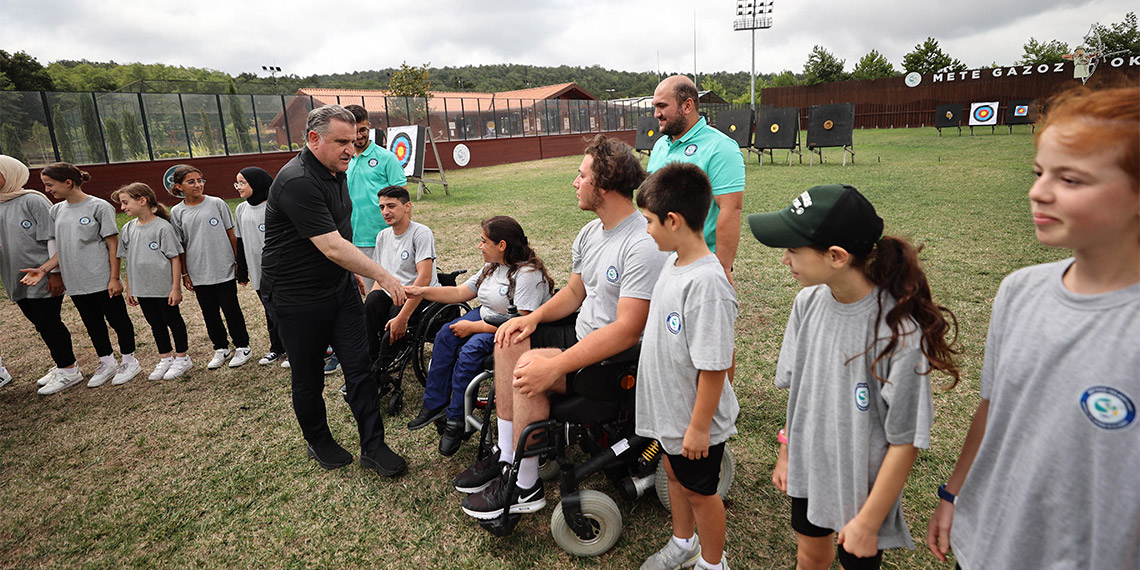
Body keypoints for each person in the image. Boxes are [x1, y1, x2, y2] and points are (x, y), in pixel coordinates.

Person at [926, 86, 1139, 570]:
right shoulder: (1020, 290)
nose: (1038, 192)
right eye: (1040, 172)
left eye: (1071, 179)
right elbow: (993, 407)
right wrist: (954, 493)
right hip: (986, 544)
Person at [750, 184, 960, 570]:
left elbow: (905, 441)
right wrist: (786, 448)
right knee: (809, 555)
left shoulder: (899, 334)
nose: (785, 260)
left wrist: (868, 520)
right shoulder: (807, 303)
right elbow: (801, 390)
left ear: (836, 256)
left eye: (793, 249)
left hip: (860, 489)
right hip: (810, 467)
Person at [457, 134, 667, 519]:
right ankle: (507, 456)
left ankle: (525, 487)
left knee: (528, 368)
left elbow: (627, 330)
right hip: (582, 333)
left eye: (581, 175)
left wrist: (556, 365)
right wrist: (531, 318)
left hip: (613, 359)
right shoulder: (591, 233)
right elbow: (574, 292)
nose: (575, 182)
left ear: (603, 184)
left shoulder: (641, 243)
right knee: (509, 337)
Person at [261, 104, 408, 478]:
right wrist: (383, 276)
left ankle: (374, 447)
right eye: (340, 141)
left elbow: (338, 233)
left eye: (352, 139)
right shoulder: (296, 180)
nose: (350, 148)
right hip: (296, 297)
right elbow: (330, 245)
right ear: (314, 139)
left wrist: (351, 271)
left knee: (360, 367)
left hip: (339, 290)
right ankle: (319, 440)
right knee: (308, 375)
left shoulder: (335, 170)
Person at [635, 163, 739, 570]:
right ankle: (683, 543)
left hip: (696, 422)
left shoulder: (708, 285)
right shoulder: (673, 262)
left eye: (648, 221)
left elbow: (714, 368)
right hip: (671, 413)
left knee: (701, 493)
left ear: (673, 220)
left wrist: (698, 426)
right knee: (674, 478)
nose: (646, 230)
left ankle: (713, 564)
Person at [405, 215, 555, 457]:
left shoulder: (527, 275)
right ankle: (434, 405)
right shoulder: (492, 267)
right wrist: (422, 291)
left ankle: (456, 421)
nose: (480, 246)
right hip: (486, 315)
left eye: (484, 241)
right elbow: (459, 292)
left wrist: (474, 328)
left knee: (470, 352)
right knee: (445, 335)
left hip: (510, 327)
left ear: (502, 246)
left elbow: (521, 323)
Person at [21, 163, 140, 391]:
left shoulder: (99, 206)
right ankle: (106, 362)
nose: (47, 190)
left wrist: (115, 278)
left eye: (50, 185)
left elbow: (112, 244)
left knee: (118, 321)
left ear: (68, 182)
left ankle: (129, 361)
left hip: (101, 278)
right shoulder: (56, 210)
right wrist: (44, 269)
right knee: (92, 324)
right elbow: (63, 248)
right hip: (76, 282)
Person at [320, 104, 408, 375]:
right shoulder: (339, 160)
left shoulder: (385, 158)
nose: (358, 136)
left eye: (363, 129)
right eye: (352, 131)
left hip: (375, 241)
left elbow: (400, 196)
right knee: (345, 298)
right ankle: (342, 350)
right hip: (344, 241)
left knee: (372, 301)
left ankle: (376, 349)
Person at [647, 75, 745, 281]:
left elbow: (731, 209)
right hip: (658, 261)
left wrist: (722, 268)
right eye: (654, 106)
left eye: (662, 106)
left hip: (698, 264)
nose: (656, 114)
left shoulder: (721, 147)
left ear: (687, 105)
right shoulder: (659, 146)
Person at [0, 154, 79, 390]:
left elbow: (53, 237)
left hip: (42, 274)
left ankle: (69, 370)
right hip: (16, 276)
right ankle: (62, 364)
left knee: (48, 321)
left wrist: (55, 272)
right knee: (39, 322)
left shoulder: (32, 200)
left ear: (10, 173)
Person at [167, 165, 253, 370]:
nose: (198, 185)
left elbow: (232, 235)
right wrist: (186, 273)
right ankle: (221, 348)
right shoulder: (177, 213)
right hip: (199, 272)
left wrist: (238, 262)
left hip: (223, 268)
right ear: (179, 187)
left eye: (200, 180)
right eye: (191, 181)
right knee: (209, 312)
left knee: (231, 308)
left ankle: (242, 346)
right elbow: (182, 246)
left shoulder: (217, 203)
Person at [111, 183, 192, 381]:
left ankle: (182, 357)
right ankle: (165, 358)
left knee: (172, 321)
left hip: (164, 289)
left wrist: (175, 288)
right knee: (155, 323)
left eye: (125, 202)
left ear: (142, 200)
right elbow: (128, 260)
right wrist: (131, 288)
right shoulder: (128, 228)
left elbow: (174, 258)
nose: (122, 208)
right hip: (143, 289)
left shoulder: (163, 228)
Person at [362, 185, 438, 369]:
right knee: (370, 303)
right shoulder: (382, 236)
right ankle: (369, 362)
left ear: (407, 207)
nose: (386, 212)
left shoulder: (421, 233)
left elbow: (424, 278)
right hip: (394, 294)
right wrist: (371, 303)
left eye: (391, 206)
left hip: (419, 296)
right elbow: (381, 277)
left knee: (397, 308)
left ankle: (382, 366)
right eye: (382, 207)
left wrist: (402, 318)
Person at [234, 167, 286, 367]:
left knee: (283, 311)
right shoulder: (241, 209)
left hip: (279, 272)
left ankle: (293, 349)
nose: (239, 187)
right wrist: (243, 270)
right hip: (258, 272)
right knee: (269, 312)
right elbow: (240, 240)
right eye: (237, 183)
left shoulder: (275, 207)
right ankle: (276, 348)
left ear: (257, 183)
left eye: (242, 182)